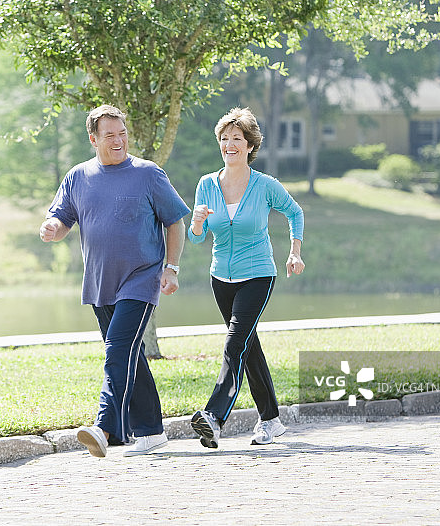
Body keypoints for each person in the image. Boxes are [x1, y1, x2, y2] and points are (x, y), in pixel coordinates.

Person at [40, 104, 190, 458]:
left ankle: (104, 428)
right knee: (130, 355)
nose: (119, 140)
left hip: (141, 279)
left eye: (122, 133)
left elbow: (175, 221)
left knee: (118, 350)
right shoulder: (78, 177)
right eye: (110, 135)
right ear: (93, 139)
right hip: (99, 283)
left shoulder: (148, 174)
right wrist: (52, 228)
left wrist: (171, 268)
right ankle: (151, 432)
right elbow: (61, 218)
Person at [187, 107, 305, 448]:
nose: (230, 145)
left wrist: (294, 251)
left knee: (234, 344)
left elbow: (295, 212)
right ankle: (271, 420)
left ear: (250, 145)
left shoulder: (264, 185)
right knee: (247, 347)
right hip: (220, 278)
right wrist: (197, 222)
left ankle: (214, 417)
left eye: (237, 139)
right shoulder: (207, 184)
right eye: (224, 139)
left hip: (257, 275)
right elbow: (196, 238)